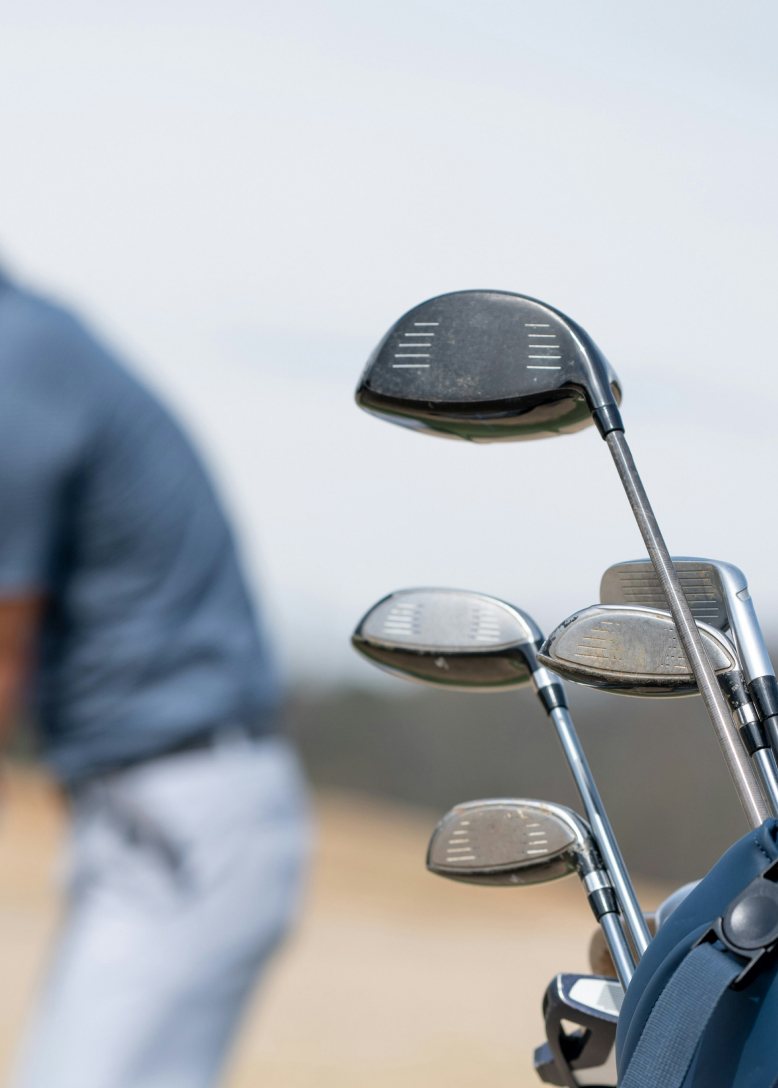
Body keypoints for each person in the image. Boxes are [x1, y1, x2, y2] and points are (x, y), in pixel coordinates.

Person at [0, 269, 309, 1088]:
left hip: (183, 817)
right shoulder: (32, 343)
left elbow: (1, 645)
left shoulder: (12, 367)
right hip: (153, 813)